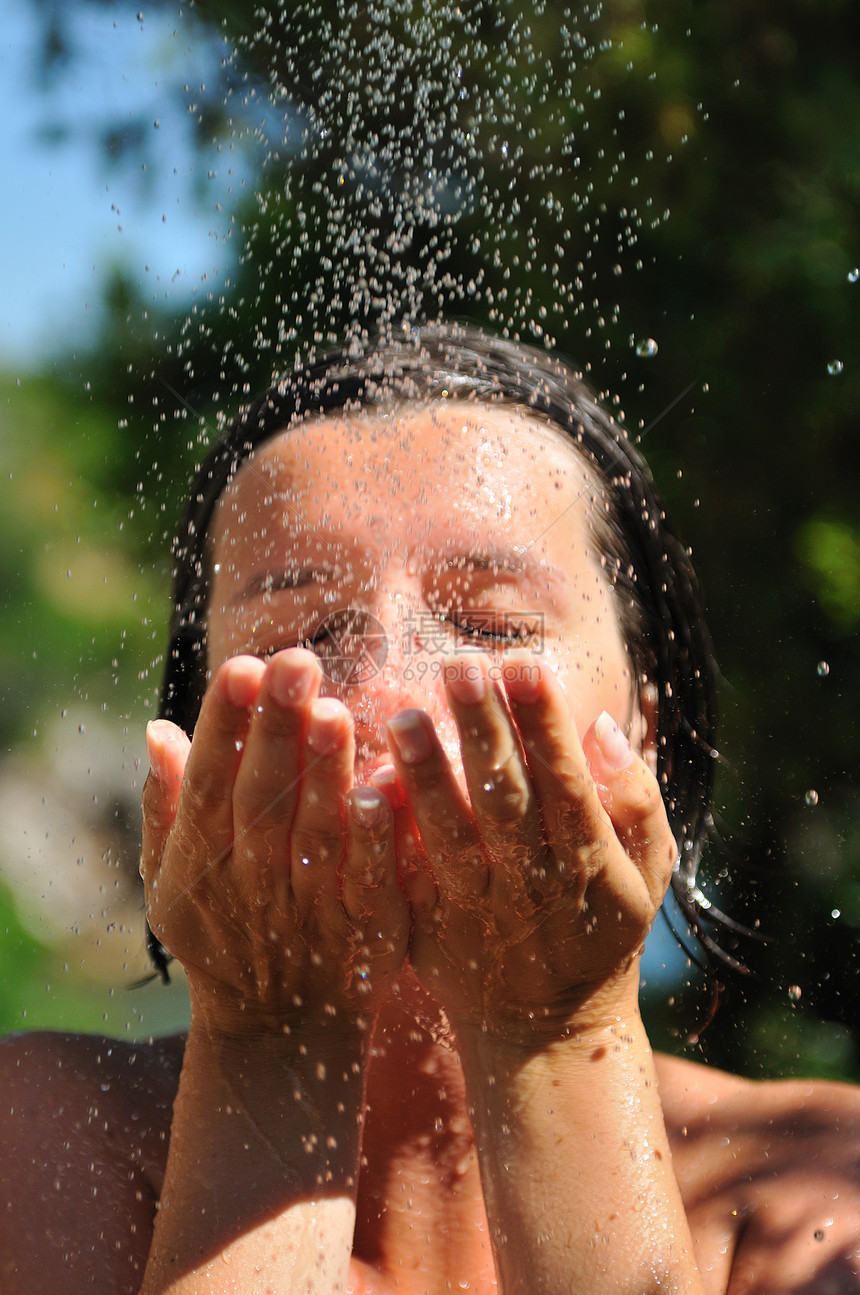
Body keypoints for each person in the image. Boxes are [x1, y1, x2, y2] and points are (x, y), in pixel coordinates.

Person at [1, 326, 859, 1294]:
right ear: (196, 752)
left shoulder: (817, 1190)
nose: (389, 689)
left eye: (491, 624)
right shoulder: (43, 1137)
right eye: (301, 634)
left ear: (642, 735)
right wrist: (275, 1032)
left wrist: (553, 1032)